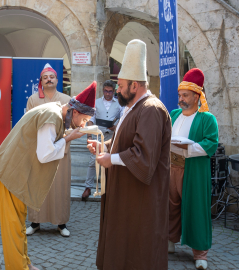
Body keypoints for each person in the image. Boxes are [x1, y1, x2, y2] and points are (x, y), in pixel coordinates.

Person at [0, 82, 96, 270]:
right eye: (85, 120)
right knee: (13, 226)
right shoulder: (52, 117)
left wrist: (67, 135)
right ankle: (17, 267)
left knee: (18, 222)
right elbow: (45, 154)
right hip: (13, 172)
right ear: (75, 112)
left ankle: (24, 263)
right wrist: (68, 138)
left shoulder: (56, 110)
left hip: (18, 172)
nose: (84, 125)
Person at [90, 39, 171, 269]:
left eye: (121, 85)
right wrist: (104, 147)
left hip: (140, 201)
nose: (117, 89)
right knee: (122, 247)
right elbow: (123, 143)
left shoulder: (151, 110)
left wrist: (110, 160)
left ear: (135, 86)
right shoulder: (131, 108)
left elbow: (143, 156)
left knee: (138, 250)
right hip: (126, 195)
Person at [168, 68, 218, 270]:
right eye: (180, 95)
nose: (181, 99)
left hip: (193, 172)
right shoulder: (173, 114)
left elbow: (211, 144)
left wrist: (187, 148)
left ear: (197, 96)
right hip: (171, 168)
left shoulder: (207, 119)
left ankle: (200, 254)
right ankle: (170, 240)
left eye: (185, 95)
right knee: (170, 206)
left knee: (196, 207)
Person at [25, 63, 72, 237]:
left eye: (51, 77)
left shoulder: (67, 100)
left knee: (59, 186)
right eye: (45, 77)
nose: (49, 79)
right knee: (38, 185)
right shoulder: (33, 100)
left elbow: (71, 124)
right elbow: (28, 124)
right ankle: (35, 221)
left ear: (57, 80)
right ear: (41, 81)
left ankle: (61, 223)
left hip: (61, 150)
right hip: (40, 150)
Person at [82, 79, 123, 199]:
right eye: (106, 91)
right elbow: (90, 119)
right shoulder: (96, 102)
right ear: (103, 90)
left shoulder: (119, 104)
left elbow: (122, 118)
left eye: (110, 91)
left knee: (112, 160)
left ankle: (110, 187)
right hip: (97, 134)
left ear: (114, 91)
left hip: (112, 135)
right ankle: (88, 187)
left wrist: (115, 126)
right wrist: (89, 135)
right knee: (92, 161)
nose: (108, 93)